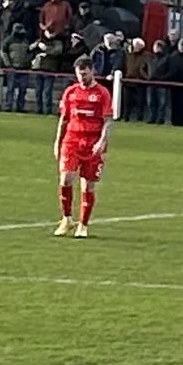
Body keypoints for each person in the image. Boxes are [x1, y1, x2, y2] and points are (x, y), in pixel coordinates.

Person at [53, 54, 112, 237]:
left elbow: (108, 121)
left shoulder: (102, 93)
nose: (82, 78)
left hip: (92, 142)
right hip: (71, 140)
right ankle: (67, 219)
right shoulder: (71, 92)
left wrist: (102, 141)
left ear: (92, 71)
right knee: (66, 179)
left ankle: (83, 225)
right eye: (79, 75)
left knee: (87, 186)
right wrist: (57, 141)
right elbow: (64, 119)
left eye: (85, 74)